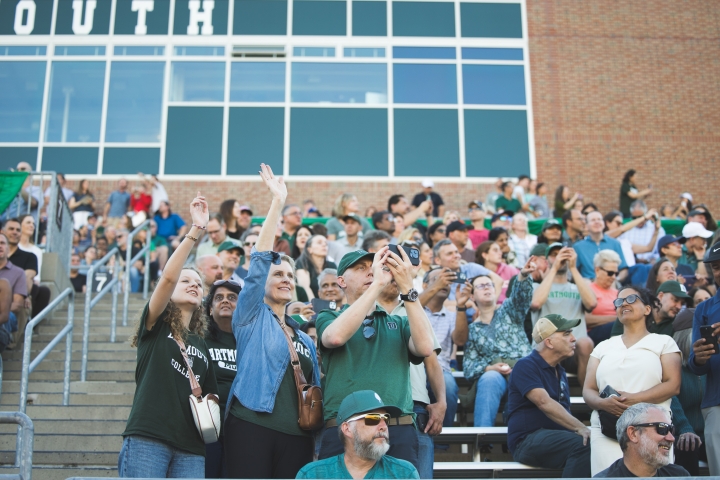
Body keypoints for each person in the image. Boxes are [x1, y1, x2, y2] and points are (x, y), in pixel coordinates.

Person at [224, 164, 321, 479]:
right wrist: (278, 202)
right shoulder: (251, 314)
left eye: (290, 276)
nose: (286, 280)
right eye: (278, 274)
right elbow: (259, 259)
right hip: (252, 428)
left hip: (298, 437)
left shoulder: (304, 337)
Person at [119, 192, 218, 478]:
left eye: (198, 283)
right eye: (186, 281)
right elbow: (168, 277)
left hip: (191, 447)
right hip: (148, 437)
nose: (194, 285)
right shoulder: (156, 324)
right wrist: (196, 230)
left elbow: (210, 397)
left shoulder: (202, 344)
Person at [316, 245, 434, 469]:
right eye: (361, 268)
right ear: (341, 281)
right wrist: (378, 284)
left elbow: (426, 347)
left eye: (374, 267)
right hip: (345, 429)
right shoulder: (329, 316)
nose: (371, 272)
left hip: (395, 428)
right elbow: (335, 338)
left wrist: (407, 286)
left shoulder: (399, 321)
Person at [583, 285, 681, 475]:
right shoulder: (603, 347)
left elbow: (673, 385)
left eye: (631, 299)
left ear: (647, 309)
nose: (623, 304)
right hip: (606, 430)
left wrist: (633, 400)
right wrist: (604, 404)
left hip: (652, 430)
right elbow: (588, 390)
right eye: (619, 301)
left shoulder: (664, 342)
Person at [507, 314, 591, 477]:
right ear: (549, 342)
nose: (574, 339)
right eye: (566, 334)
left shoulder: (560, 370)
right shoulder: (525, 365)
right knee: (586, 444)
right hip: (528, 440)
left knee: (598, 445)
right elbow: (544, 402)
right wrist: (581, 427)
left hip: (556, 439)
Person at [462, 259, 537, 427]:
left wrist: (523, 275)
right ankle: (482, 441)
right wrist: (490, 368)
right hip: (497, 377)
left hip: (522, 369)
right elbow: (469, 367)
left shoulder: (509, 310)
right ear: (472, 296)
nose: (487, 287)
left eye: (489, 284)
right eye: (481, 286)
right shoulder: (473, 329)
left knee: (523, 375)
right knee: (489, 378)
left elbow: (521, 297)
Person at [296, 391, 420, 479]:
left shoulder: (404, 473)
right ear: (347, 428)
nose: (384, 426)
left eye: (386, 419)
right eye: (373, 419)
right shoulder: (313, 475)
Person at [530, 244, 596, 386]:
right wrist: (554, 268)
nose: (560, 257)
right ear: (547, 261)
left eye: (564, 254)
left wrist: (573, 267)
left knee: (586, 343)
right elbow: (536, 303)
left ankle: (589, 398)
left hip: (574, 350)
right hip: (546, 349)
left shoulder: (578, 287)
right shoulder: (536, 287)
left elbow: (591, 304)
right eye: (554, 254)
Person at [688, 240, 720, 476]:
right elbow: (696, 367)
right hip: (716, 400)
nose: (719, 271)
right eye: (716, 267)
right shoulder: (704, 309)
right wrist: (699, 357)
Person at [203, 279, 241, 479]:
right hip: (207, 429)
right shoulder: (199, 339)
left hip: (240, 428)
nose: (225, 301)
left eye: (232, 297)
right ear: (210, 309)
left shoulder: (249, 341)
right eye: (219, 298)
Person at [594, 403, 689, 477]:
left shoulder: (679, 476)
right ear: (633, 434)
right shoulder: (605, 479)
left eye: (671, 430)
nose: (671, 438)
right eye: (662, 429)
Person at [610, 281, 690, 337]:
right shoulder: (631, 314)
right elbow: (615, 345)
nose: (679, 306)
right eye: (675, 300)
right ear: (661, 296)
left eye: (682, 304)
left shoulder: (677, 324)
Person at [574, 211, 628, 280]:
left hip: (612, 283)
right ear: (586, 226)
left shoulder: (615, 243)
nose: (597, 222)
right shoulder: (578, 247)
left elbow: (624, 269)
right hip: (588, 285)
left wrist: (616, 280)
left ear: (604, 224)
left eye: (599, 219)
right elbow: (574, 270)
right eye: (593, 220)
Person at [586, 250, 621, 345]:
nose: (613, 277)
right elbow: (586, 319)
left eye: (616, 274)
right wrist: (617, 318)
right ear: (597, 270)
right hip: (594, 334)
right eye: (610, 273)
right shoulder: (588, 290)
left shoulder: (618, 293)